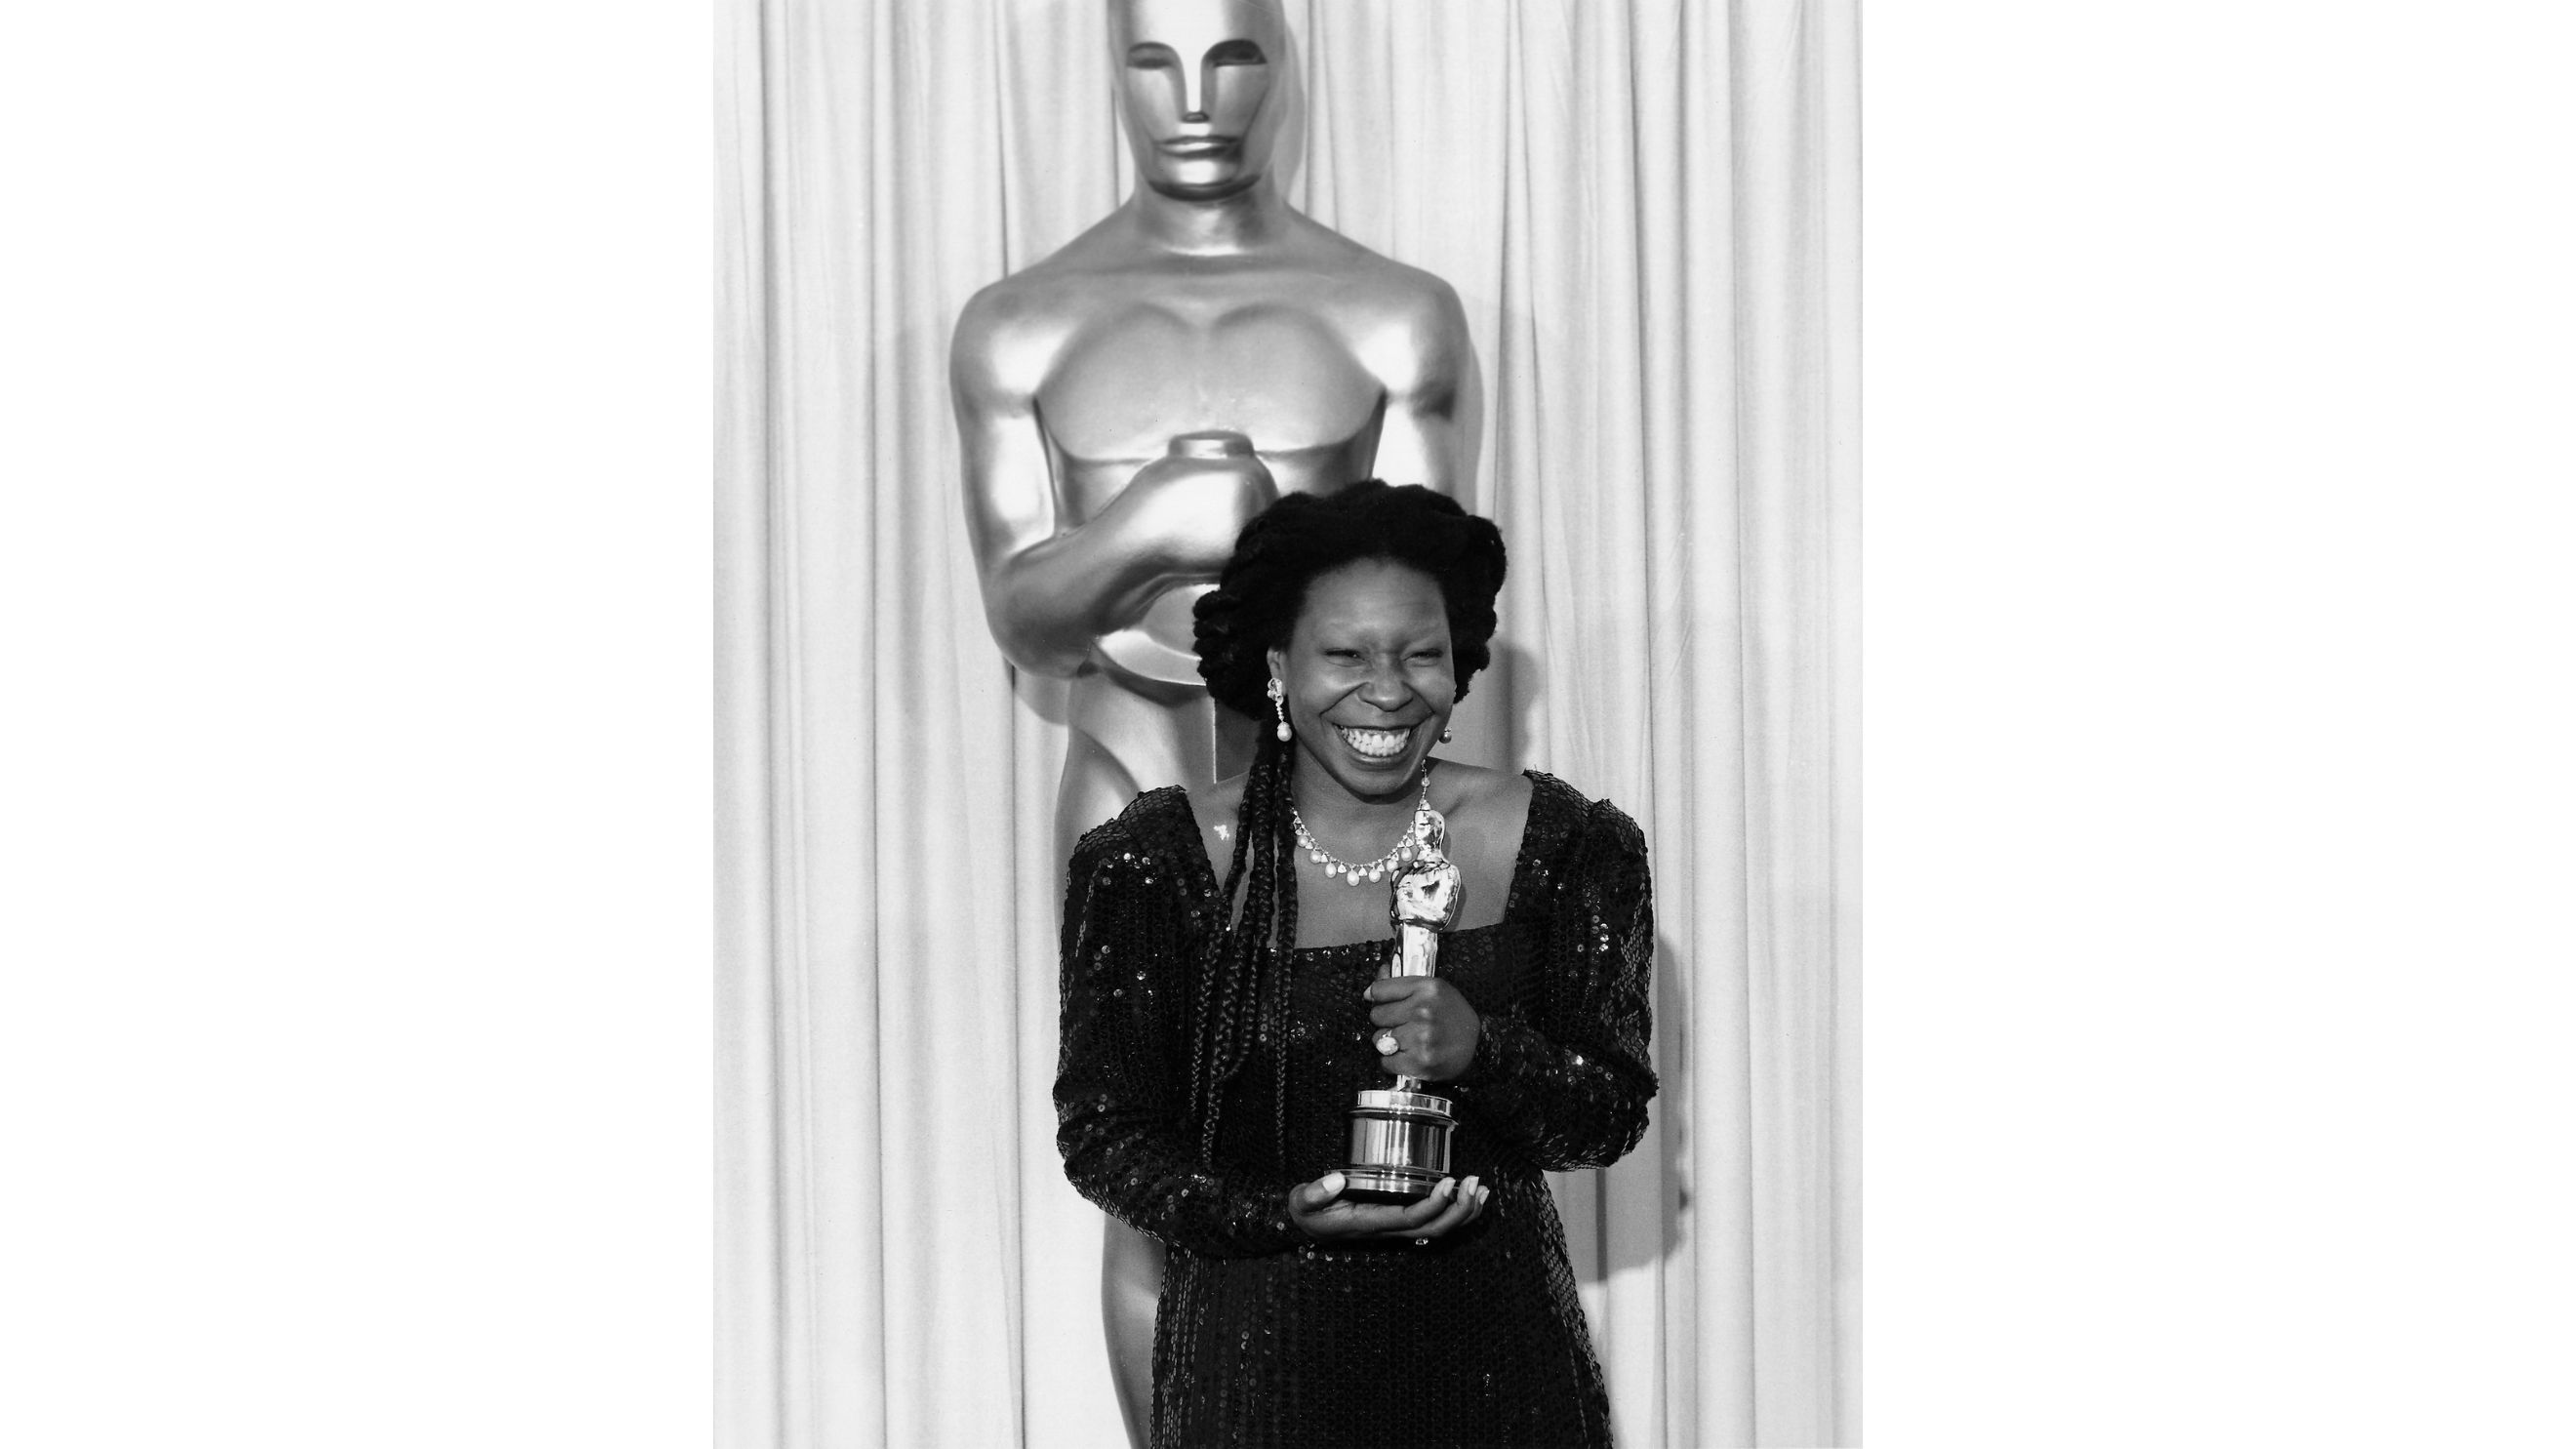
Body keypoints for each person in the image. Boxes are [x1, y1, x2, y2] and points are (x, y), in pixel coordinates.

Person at [1055, 482, 1656, 1448]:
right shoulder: (1152, 862)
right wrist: (1280, 1213)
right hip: (1256, 1377)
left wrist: (1482, 1051)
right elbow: (1107, 1137)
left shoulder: (1565, 844)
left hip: (1499, 1384)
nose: (1387, 688)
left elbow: (1609, 1116)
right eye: (1344, 653)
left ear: (1459, 667)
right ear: (1277, 667)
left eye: (1421, 653)